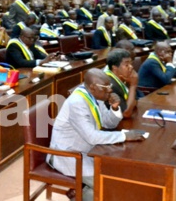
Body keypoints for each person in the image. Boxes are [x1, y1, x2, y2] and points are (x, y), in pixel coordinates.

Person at [48, 68, 144, 200]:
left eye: (109, 85)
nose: (110, 90)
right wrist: (124, 136)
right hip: (68, 155)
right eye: (106, 87)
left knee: (115, 176)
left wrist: (114, 108)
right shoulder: (77, 102)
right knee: (106, 184)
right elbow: (92, 137)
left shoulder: (95, 96)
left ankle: (79, 194)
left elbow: (108, 123)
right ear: (93, 87)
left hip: (89, 151)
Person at [104, 49, 137, 117]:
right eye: (127, 64)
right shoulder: (110, 85)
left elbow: (134, 101)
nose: (131, 67)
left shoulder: (122, 77)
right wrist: (133, 85)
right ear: (115, 68)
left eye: (131, 63)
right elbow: (125, 113)